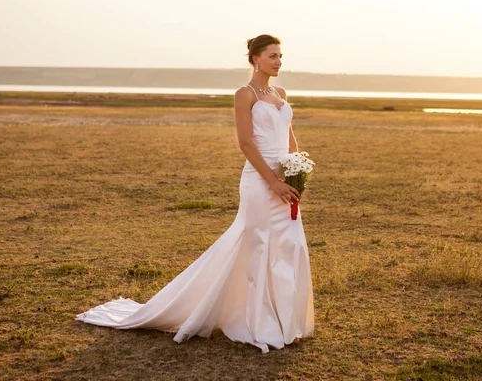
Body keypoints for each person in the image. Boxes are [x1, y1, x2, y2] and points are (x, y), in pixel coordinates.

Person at [75, 34, 315, 353]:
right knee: (258, 246)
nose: (279, 61)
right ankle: (261, 322)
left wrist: (296, 175)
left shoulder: (280, 93)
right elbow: (246, 143)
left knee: (288, 245)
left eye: (281, 56)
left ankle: (287, 322)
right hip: (260, 183)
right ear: (256, 58)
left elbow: (290, 137)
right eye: (273, 56)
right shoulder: (244, 94)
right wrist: (272, 181)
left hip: (286, 182)